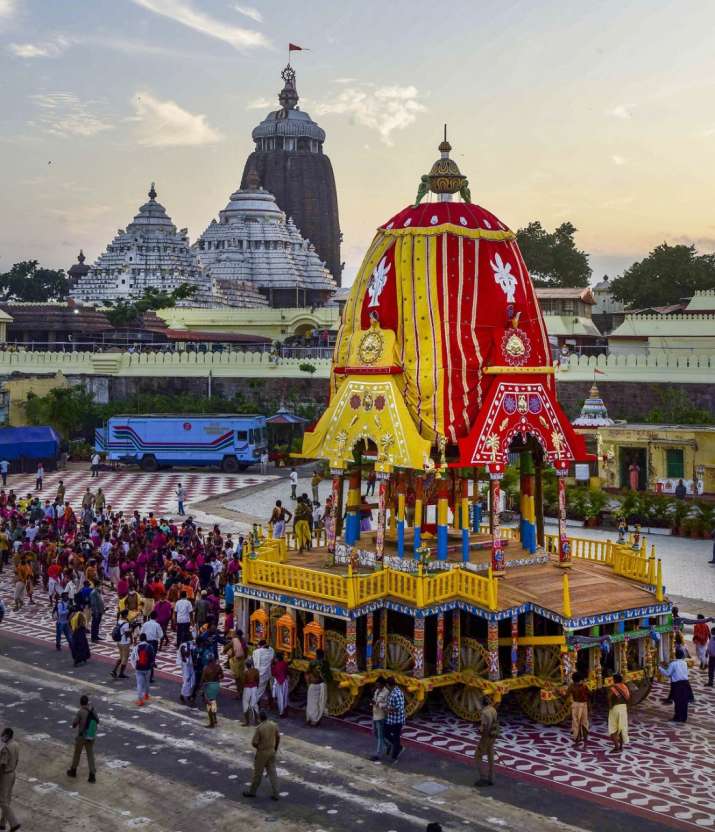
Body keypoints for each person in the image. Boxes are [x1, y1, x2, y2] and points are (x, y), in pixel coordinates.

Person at [243, 710, 280, 801]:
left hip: (262, 753)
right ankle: (276, 794)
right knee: (273, 773)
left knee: (258, 774)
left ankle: (252, 792)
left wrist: (259, 748)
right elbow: (278, 737)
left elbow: (254, 743)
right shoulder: (273, 725)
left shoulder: (259, 728)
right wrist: (275, 748)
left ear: (260, 718)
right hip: (271, 751)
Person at [67, 694, 98, 783]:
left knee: (77, 753)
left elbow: (74, 723)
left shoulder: (80, 712)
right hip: (91, 736)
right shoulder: (93, 710)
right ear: (87, 702)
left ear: (81, 703)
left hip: (81, 736)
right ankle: (92, 776)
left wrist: (76, 724)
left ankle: (73, 771)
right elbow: (97, 720)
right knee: (90, 755)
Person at [660, 647, 694, 722]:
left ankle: (677, 717)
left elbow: (668, 674)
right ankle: (684, 718)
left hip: (677, 684)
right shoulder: (684, 663)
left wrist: (660, 669)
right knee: (684, 701)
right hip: (685, 683)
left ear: (676, 655)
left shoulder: (673, 664)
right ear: (682, 655)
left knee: (678, 701)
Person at [474, 696, 499, 786]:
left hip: (486, 736)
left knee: (478, 756)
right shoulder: (493, 709)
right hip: (493, 735)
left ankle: (483, 778)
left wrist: (479, 730)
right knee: (490, 755)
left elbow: (484, 727)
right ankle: (491, 777)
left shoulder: (484, 713)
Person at [0, 727, 20, 832]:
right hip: (13, 773)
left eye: (2, 734)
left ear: (7, 735)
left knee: (2, 801)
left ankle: (14, 823)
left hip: (5, 775)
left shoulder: (6, 748)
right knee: (7, 799)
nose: (1, 736)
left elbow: (2, 765)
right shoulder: (16, 745)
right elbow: (17, 760)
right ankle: (2, 824)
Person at [305, 648, 331, 727]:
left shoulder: (312, 662)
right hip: (321, 685)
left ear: (316, 655)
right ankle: (316, 720)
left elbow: (307, 674)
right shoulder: (325, 663)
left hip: (312, 685)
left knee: (311, 703)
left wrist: (308, 683)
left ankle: (310, 719)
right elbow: (328, 676)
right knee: (320, 703)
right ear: (323, 656)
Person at [383, 677, 406, 763]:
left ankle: (394, 757)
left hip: (397, 720)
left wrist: (388, 710)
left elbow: (399, 708)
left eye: (386, 685)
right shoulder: (393, 692)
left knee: (396, 737)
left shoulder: (397, 693)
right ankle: (398, 747)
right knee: (385, 733)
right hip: (391, 719)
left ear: (389, 685)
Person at [607, 673, 630, 752]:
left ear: (614, 680)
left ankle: (616, 747)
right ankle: (620, 747)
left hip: (615, 708)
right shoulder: (625, 687)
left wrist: (610, 706)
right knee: (621, 727)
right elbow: (628, 698)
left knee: (613, 728)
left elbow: (609, 697)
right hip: (623, 708)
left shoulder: (613, 688)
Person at [567, 672, 591, 748]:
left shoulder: (571, 686)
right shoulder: (584, 686)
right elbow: (590, 694)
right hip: (584, 705)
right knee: (584, 723)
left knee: (576, 724)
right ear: (581, 679)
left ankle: (577, 742)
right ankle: (586, 743)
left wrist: (557, 692)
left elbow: (566, 695)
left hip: (576, 705)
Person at [131, 633, 154, 706]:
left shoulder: (136, 647)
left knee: (139, 684)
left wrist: (135, 667)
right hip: (147, 668)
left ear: (140, 639)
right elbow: (152, 658)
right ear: (146, 638)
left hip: (139, 668)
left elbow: (132, 658)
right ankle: (146, 695)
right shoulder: (150, 646)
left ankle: (140, 700)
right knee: (147, 682)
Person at [141, 612, 164, 683]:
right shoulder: (157, 625)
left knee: (144, 658)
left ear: (150, 616)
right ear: (156, 617)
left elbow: (141, 633)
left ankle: (142, 675)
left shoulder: (145, 624)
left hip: (145, 642)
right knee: (151, 660)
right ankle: (150, 677)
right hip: (153, 643)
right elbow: (161, 636)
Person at [201, 656, 224, 728]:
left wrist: (202, 688)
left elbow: (202, 679)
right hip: (216, 685)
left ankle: (212, 723)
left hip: (209, 686)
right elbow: (222, 676)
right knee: (213, 701)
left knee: (209, 704)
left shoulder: (206, 668)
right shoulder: (218, 667)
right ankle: (215, 719)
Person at [370, 677, 389, 761]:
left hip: (381, 716)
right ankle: (388, 745)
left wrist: (377, 703)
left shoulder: (386, 692)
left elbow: (386, 704)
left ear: (382, 684)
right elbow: (375, 700)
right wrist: (373, 702)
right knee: (375, 733)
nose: (376, 685)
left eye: (378, 684)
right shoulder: (377, 691)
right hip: (375, 714)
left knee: (380, 736)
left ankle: (377, 754)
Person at [252, 639, 275, 705]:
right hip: (267, 674)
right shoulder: (271, 651)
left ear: (260, 645)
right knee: (268, 689)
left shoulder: (256, 652)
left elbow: (255, 663)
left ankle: (255, 704)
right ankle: (270, 704)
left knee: (258, 690)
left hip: (259, 674)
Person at [110, 609, 131, 679]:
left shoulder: (119, 621)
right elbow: (127, 634)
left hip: (119, 641)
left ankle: (114, 670)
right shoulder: (126, 623)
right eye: (127, 614)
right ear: (125, 615)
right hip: (125, 642)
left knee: (121, 657)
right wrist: (131, 629)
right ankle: (121, 673)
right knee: (125, 658)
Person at [242, 658, 260, 726]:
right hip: (254, 688)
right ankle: (257, 720)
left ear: (246, 665)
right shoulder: (256, 671)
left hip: (247, 689)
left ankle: (247, 722)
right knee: (254, 705)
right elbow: (258, 680)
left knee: (245, 704)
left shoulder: (245, 672)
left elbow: (244, 682)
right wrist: (255, 687)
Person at [271, 651, 289, 717]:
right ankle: (285, 711)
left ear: (277, 658)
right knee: (285, 697)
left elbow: (273, 674)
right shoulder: (285, 663)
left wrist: (272, 666)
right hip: (285, 681)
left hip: (279, 682)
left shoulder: (276, 665)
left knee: (280, 698)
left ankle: (281, 713)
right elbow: (287, 671)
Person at [179, 640, 196, 704]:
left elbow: (193, 654)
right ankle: (182, 696)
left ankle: (187, 694)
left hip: (191, 665)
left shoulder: (191, 644)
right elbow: (187, 654)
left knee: (193, 680)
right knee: (187, 680)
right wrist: (188, 646)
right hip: (186, 666)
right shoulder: (183, 646)